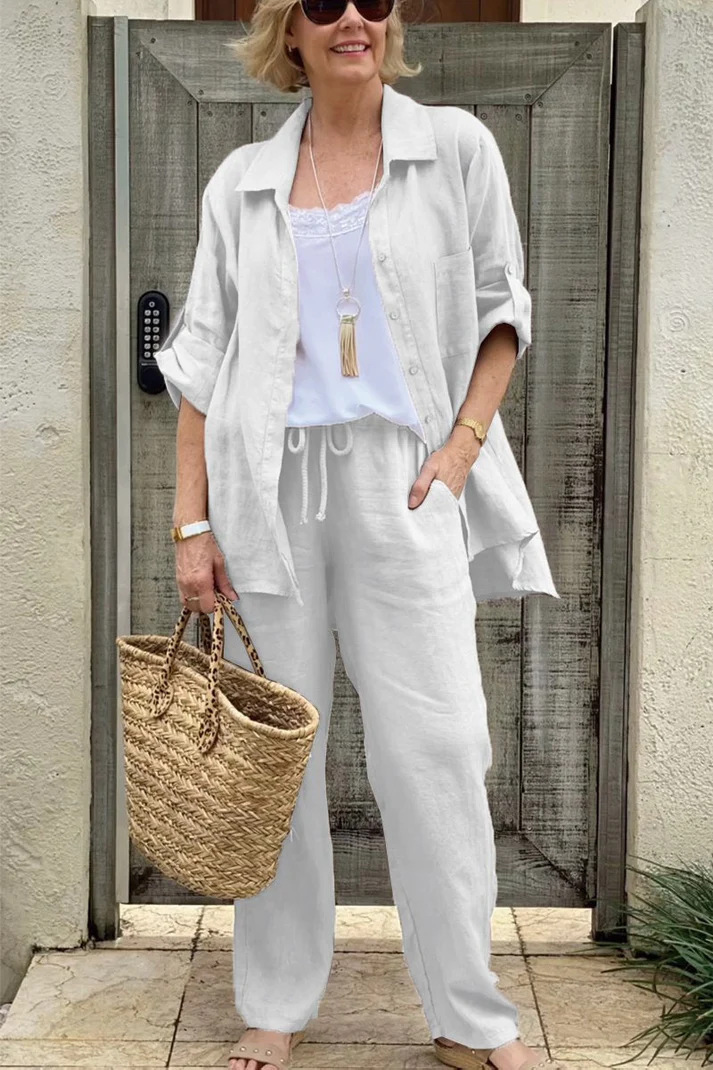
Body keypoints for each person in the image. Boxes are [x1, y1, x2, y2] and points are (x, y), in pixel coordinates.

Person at [156, 2, 563, 1069]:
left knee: (438, 750)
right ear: (288, 32)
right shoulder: (241, 182)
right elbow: (199, 365)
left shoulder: (455, 149)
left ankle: (467, 1015)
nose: (352, 18)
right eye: (324, 2)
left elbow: (503, 308)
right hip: (268, 489)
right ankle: (275, 1002)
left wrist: (460, 449)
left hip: (404, 481)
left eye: (372, 0)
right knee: (276, 759)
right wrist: (192, 523)